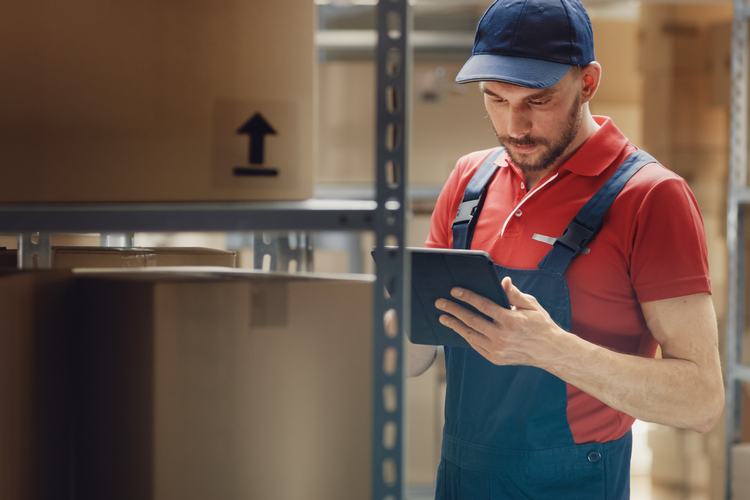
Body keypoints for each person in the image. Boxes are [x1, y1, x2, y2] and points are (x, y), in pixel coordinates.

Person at [407, 0, 725, 498]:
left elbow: (702, 402)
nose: (514, 127)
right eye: (495, 98)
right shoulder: (469, 179)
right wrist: (385, 321)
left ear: (588, 82)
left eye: (537, 101)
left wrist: (551, 350)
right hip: (461, 477)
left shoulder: (651, 198)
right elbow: (416, 351)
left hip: (572, 484)